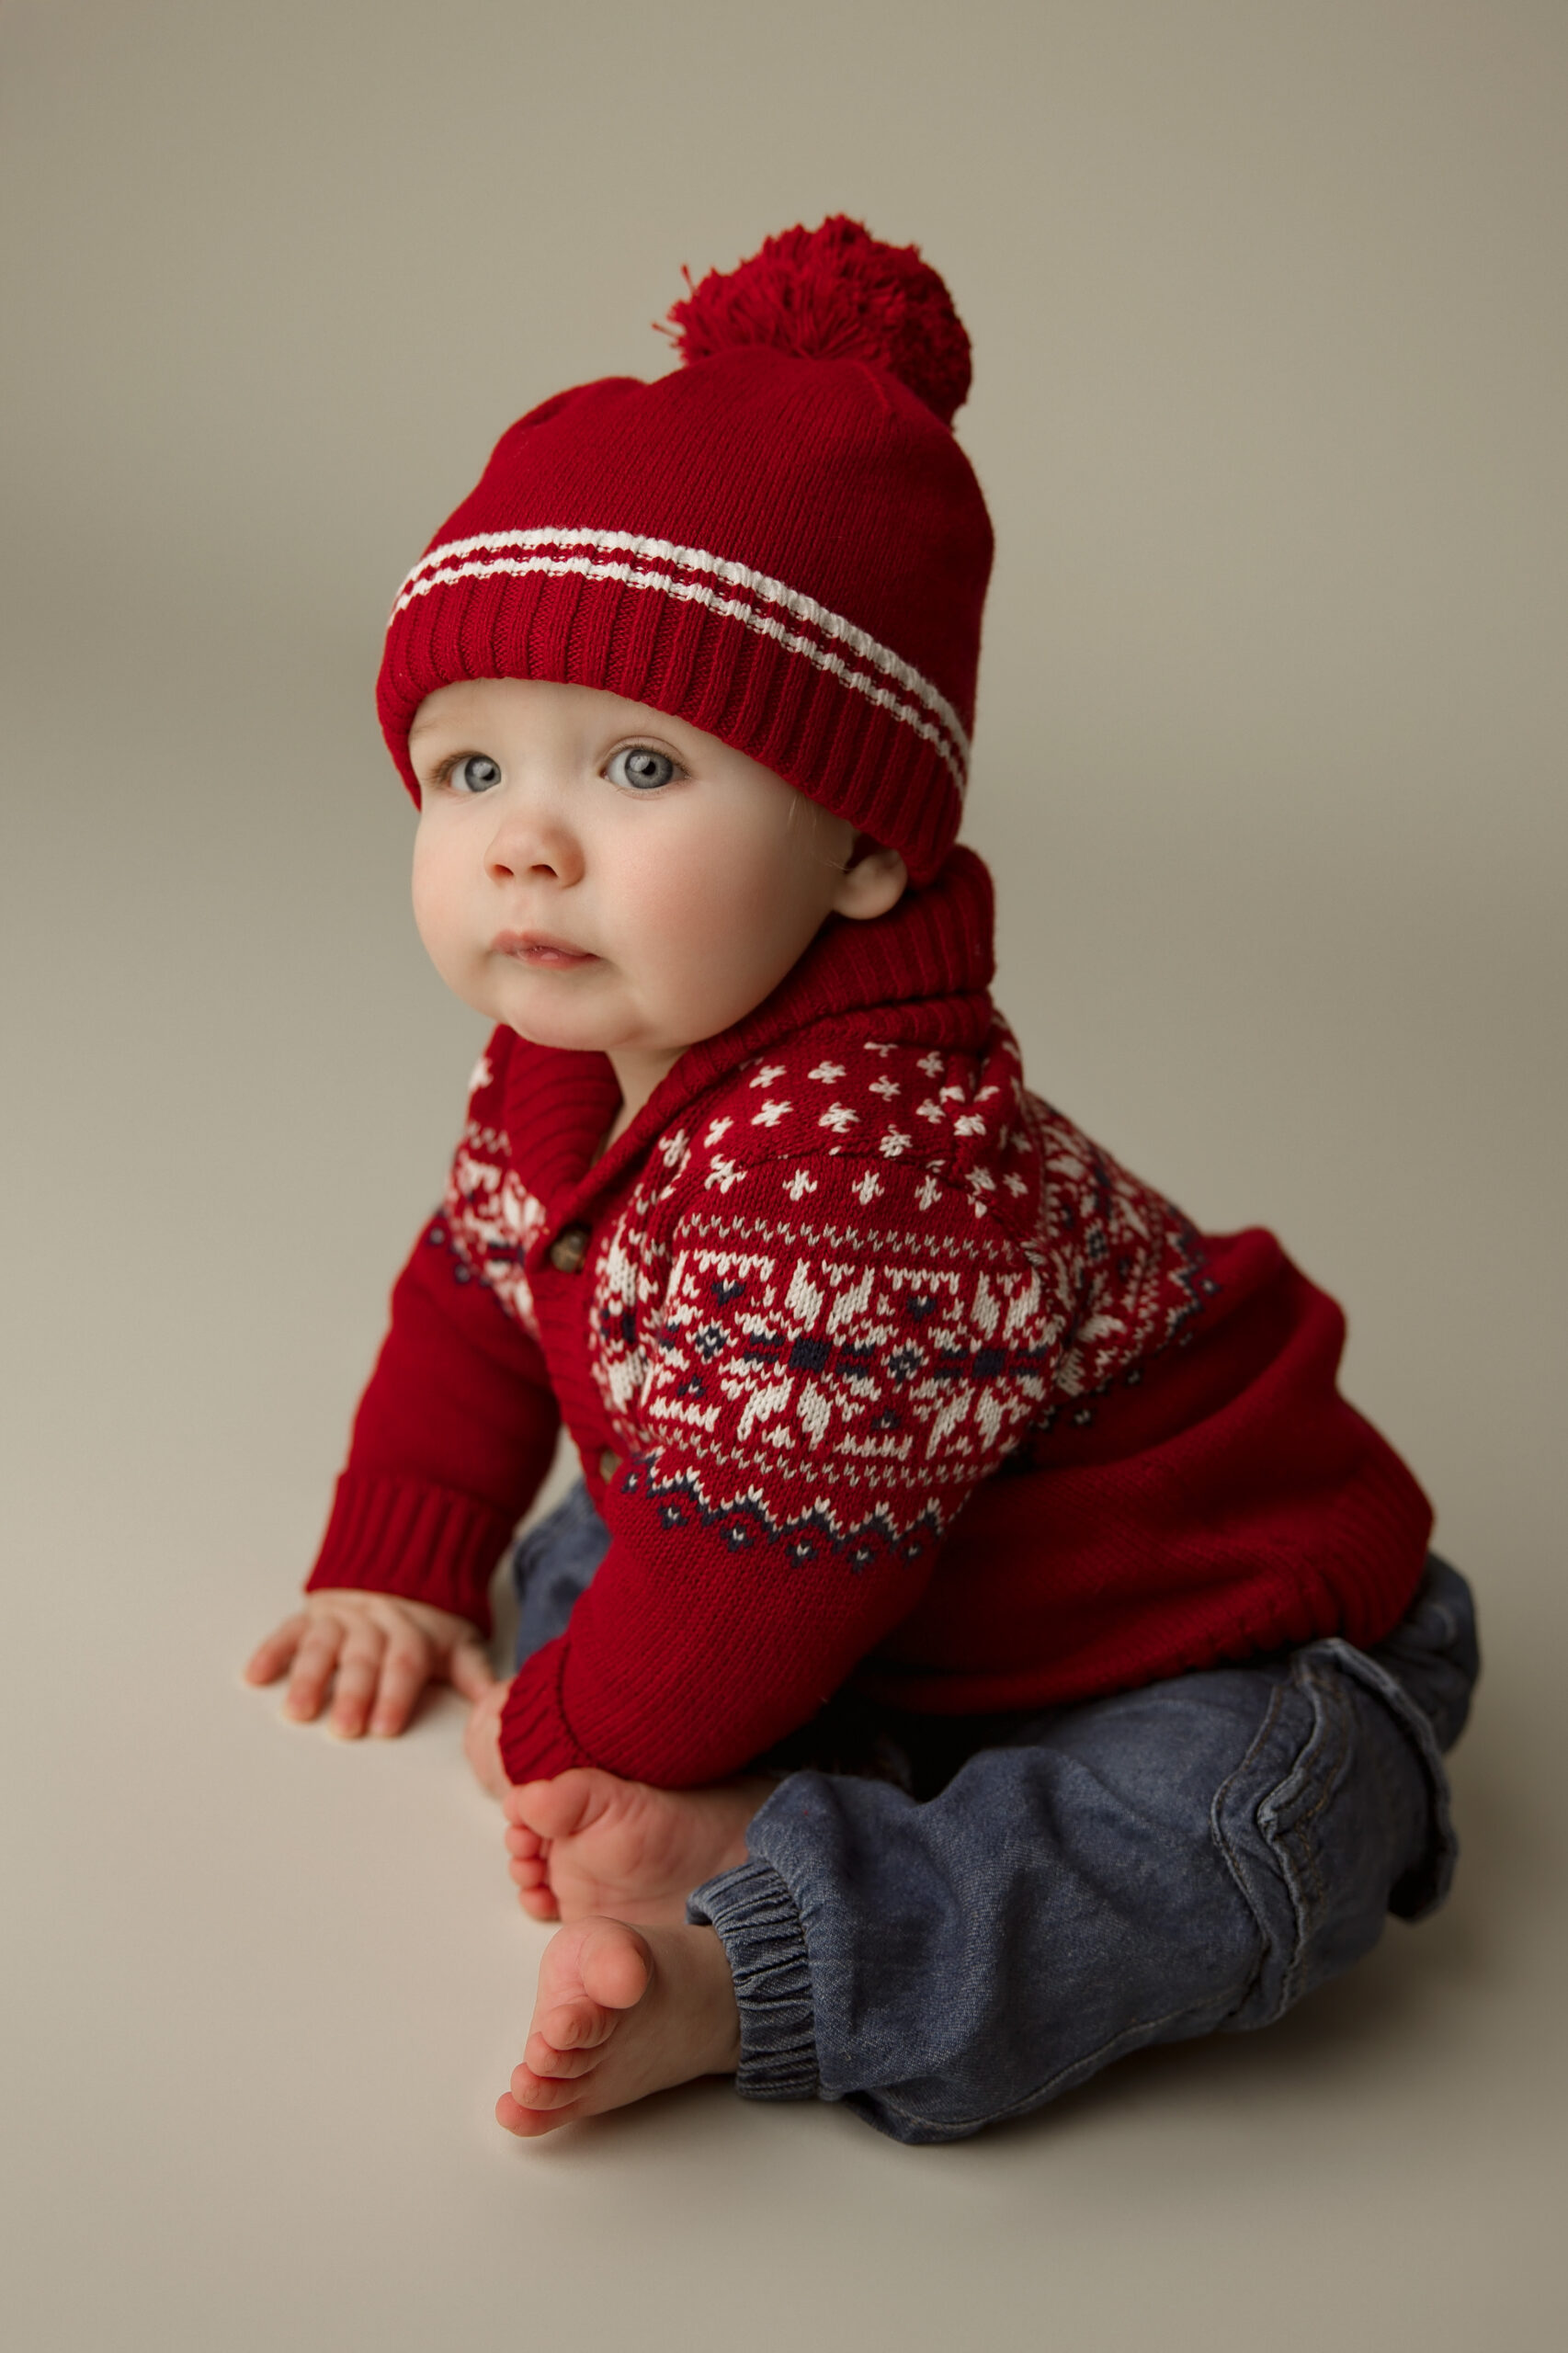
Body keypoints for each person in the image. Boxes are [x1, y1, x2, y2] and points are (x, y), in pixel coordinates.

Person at [244, 218, 1478, 2143]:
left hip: (1198, 1622)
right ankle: (749, 1792)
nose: (525, 847)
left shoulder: (863, 1160)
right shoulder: (559, 1065)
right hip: (865, 1574)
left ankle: (763, 1965)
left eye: (639, 769)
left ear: (862, 852)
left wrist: (579, 1728)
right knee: (588, 1559)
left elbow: (758, 1566)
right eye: (470, 771)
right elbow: (474, 1294)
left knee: (1240, 1826)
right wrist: (401, 1553)